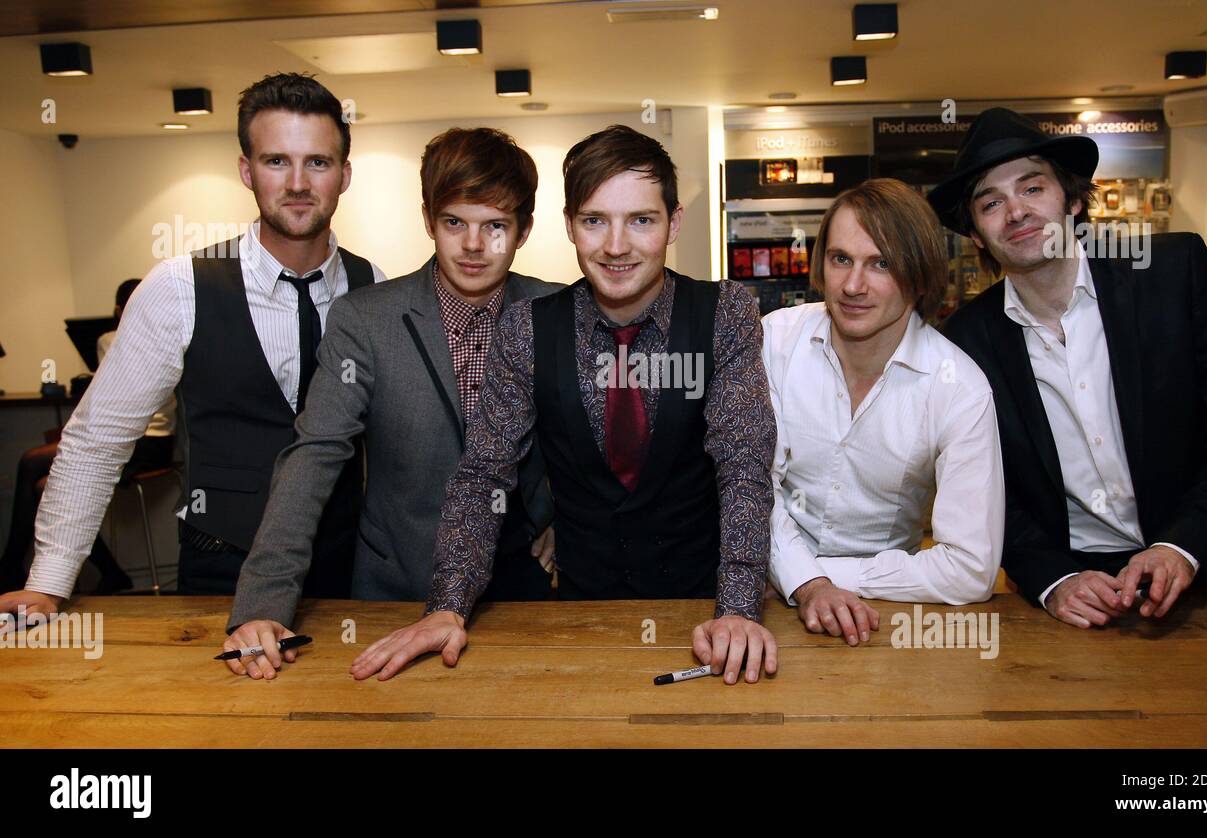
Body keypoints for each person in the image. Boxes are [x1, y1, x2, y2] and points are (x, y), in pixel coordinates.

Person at [350, 125, 779, 685]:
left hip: (702, 617)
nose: (617, 245)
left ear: (674, 223)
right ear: (570, 226)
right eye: (595, 221)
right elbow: (484, 475)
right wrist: (448, 605)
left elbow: (744, 467)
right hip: (580, 620)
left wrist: (740, 609)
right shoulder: (527, 328)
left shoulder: (725, 313)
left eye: (641, 220)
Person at [0, 72, 383, 620]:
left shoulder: (376, 288)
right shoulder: (180, 287)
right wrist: (49, 583)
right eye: (277, 161)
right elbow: (97, 440)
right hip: (219, 571)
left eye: (317, 162)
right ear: (246, 170)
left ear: (343, 176)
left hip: (345, 574)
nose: (297, 182)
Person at [933, 107, 1207, 629]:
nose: (1016, 212)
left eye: (1032, 188)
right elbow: (984, 490)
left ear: (1074, 200)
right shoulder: (966, 341)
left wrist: (1181, 546)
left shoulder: (1174, 273)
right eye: (991, 202)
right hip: (1087, 597)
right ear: (976, 236)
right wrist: (1052, 578)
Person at [223, 128, 561, 679]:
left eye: (494, 226)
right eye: (455, 222)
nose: (473, 245)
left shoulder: (555, 311)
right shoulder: (366, 320)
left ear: (522, 231)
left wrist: (563, 523)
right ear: (428, 220)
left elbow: (605, 443)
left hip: (520, 594)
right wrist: (262, 606)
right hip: (396, 593)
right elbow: (314, 456)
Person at [765, 179, 1003, 645]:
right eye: (841, 260)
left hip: (886, 614)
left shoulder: (960, 388)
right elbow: (754, 487)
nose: (854, 285)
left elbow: (971, 569)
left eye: (881, 264)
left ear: (918, 276)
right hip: (763, 604)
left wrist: (815, 580)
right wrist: (806, 583)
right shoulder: (774, 341)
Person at [0, 279, 176, 593]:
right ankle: (103, 571)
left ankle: (12, 567)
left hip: (141, 440)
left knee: (35, 469)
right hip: (159, 441)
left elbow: (114, 399)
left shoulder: (112, 337)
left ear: (119, 310)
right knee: (41, 477)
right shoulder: (170, 330)